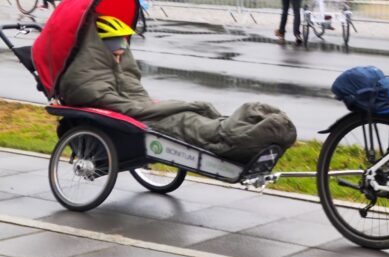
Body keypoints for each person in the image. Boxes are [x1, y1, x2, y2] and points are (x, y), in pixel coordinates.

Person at [59, 14, 297, 165]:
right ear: (100, 51)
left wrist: (178, 106)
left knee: (201, 119)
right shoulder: (87, 80)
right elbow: (127, 109)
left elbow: (136, 97)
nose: (121, 57)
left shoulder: (116, 70)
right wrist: (180, 106)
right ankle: (261, 131)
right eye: (116, 53)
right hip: (145, 121)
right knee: (199, 126)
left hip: (150, 114)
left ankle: (258, 125)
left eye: (123, 52)